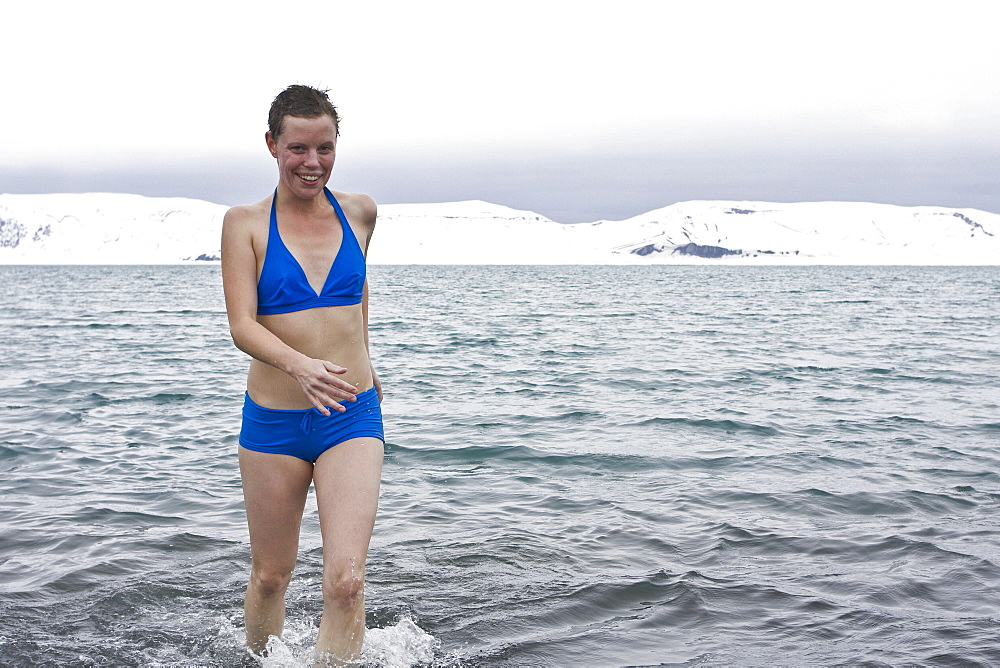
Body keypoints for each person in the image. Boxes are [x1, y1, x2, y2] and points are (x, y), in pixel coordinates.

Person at [221, 84, 383, 664]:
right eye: (298, 148)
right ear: (272, 145)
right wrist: (302, 366)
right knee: (271, 575)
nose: (312, 163)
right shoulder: (244, 224)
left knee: (345, 579)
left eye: (325, 148)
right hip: (274, 423)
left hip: (353, 413)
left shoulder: (360, 211)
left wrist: (369, 361)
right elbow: (242, 325)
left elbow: (357, 296)